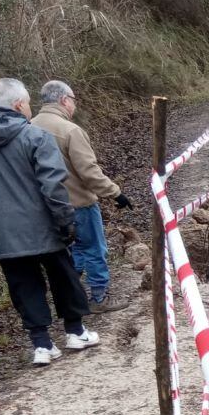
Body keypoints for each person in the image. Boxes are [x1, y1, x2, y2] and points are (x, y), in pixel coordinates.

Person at [0, 78, 100, 366]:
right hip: (44, 225)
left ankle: (42, 344)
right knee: (63, 276)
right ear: (18, 105)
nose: (29, 109)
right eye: (27, 104)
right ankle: (75, 331)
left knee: (24, 286)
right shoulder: (35, 136)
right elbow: (53, 185)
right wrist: (65, 221)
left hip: (5, 234)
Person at [32, 80, 132, 312]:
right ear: (64, 100)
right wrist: (115, 193)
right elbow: (88, 172)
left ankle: (70, 297)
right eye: (73, 100)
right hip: (78, 203)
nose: (74, 105)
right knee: (94, 249)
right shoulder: (70, 131)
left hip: (46, 207)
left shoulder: (28, 128)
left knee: (69, 252)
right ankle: (99, 298)